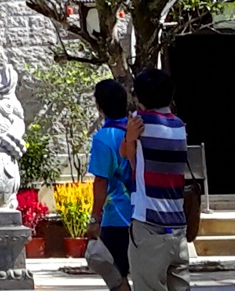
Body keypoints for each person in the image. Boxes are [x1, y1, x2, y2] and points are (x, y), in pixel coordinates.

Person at [126, 68, 199, 291]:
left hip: (149, 223)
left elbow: (128, 157)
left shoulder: (140, 122)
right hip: (177, 225)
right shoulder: (178, 125)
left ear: (139, 97)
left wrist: (130, 137)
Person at [85, 78, 137, 290]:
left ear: (99, 106)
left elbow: (100, 181)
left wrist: (94, 218)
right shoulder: (136, 130)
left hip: (116, 216)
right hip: (143, 213)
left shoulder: (104, 138)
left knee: (118, 278)